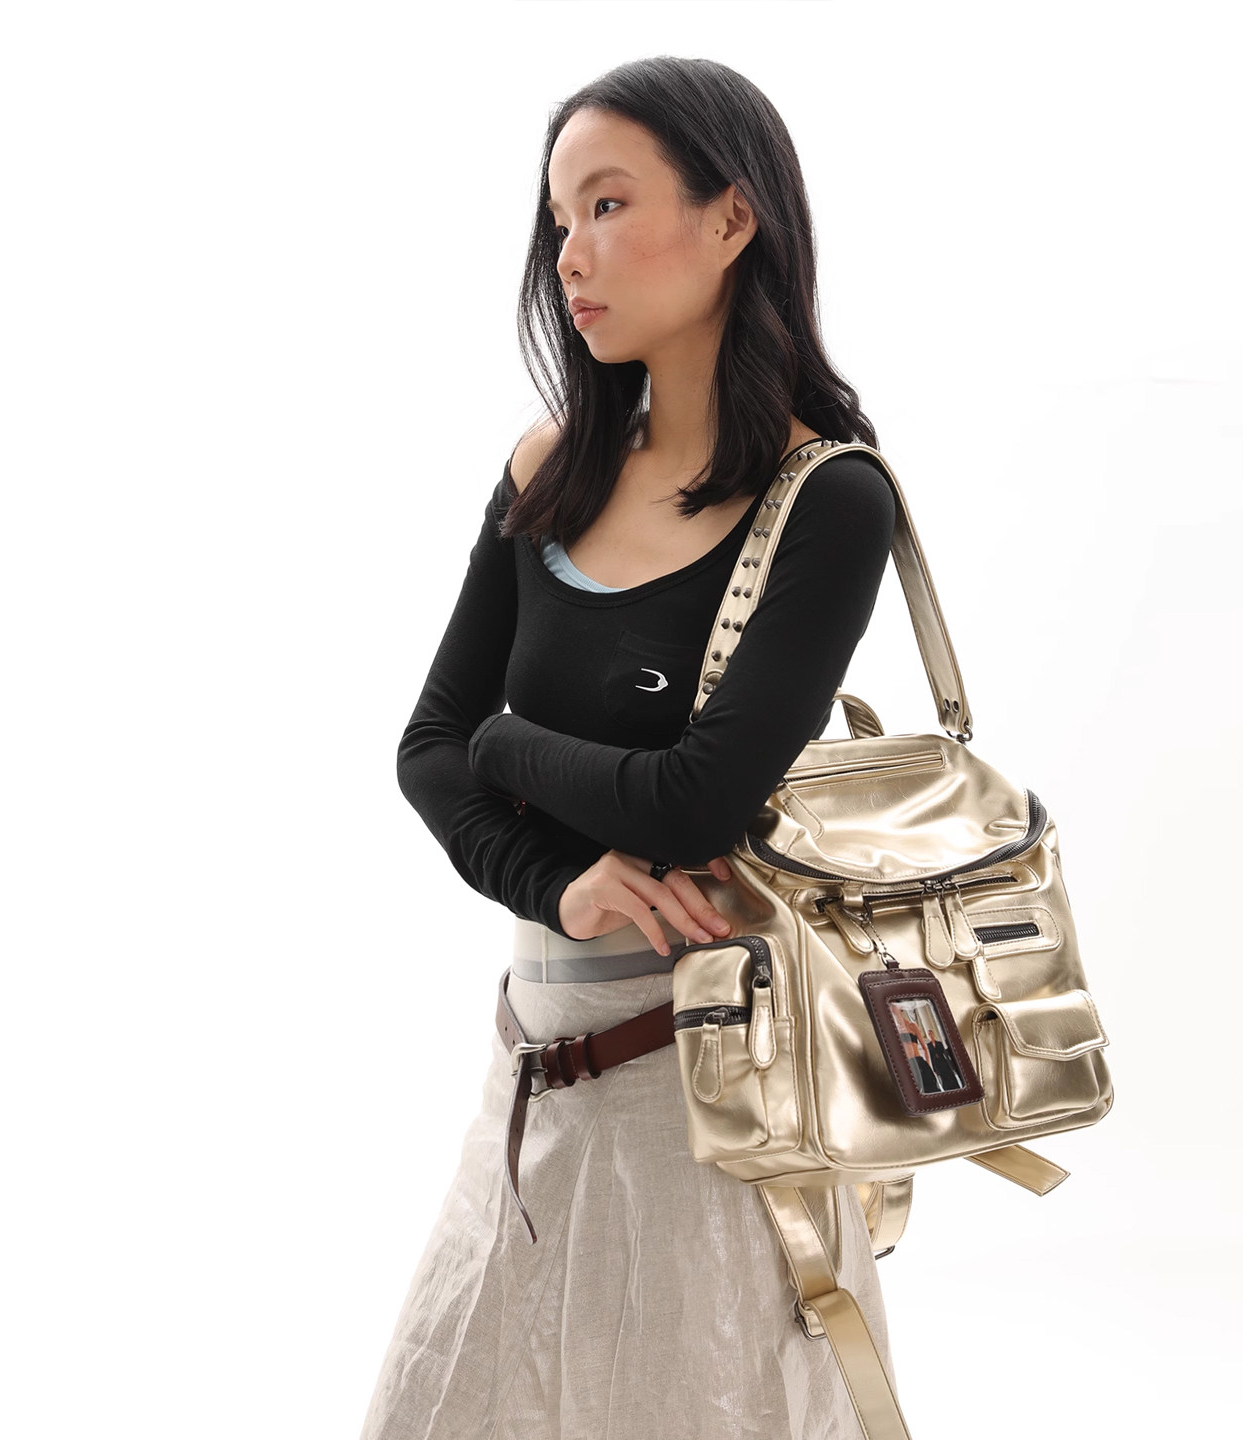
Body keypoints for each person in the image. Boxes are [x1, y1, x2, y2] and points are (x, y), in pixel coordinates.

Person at [356, 56, 900, 1440]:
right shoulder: (551, 469)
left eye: (608, 205)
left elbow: (692, 800)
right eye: (559, 219)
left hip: (713, 1101)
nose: (570, 255)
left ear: (733, 218)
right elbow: (424, 750)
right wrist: (558, 883)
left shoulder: (828, 499)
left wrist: (505, 744)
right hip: (534, 1078)